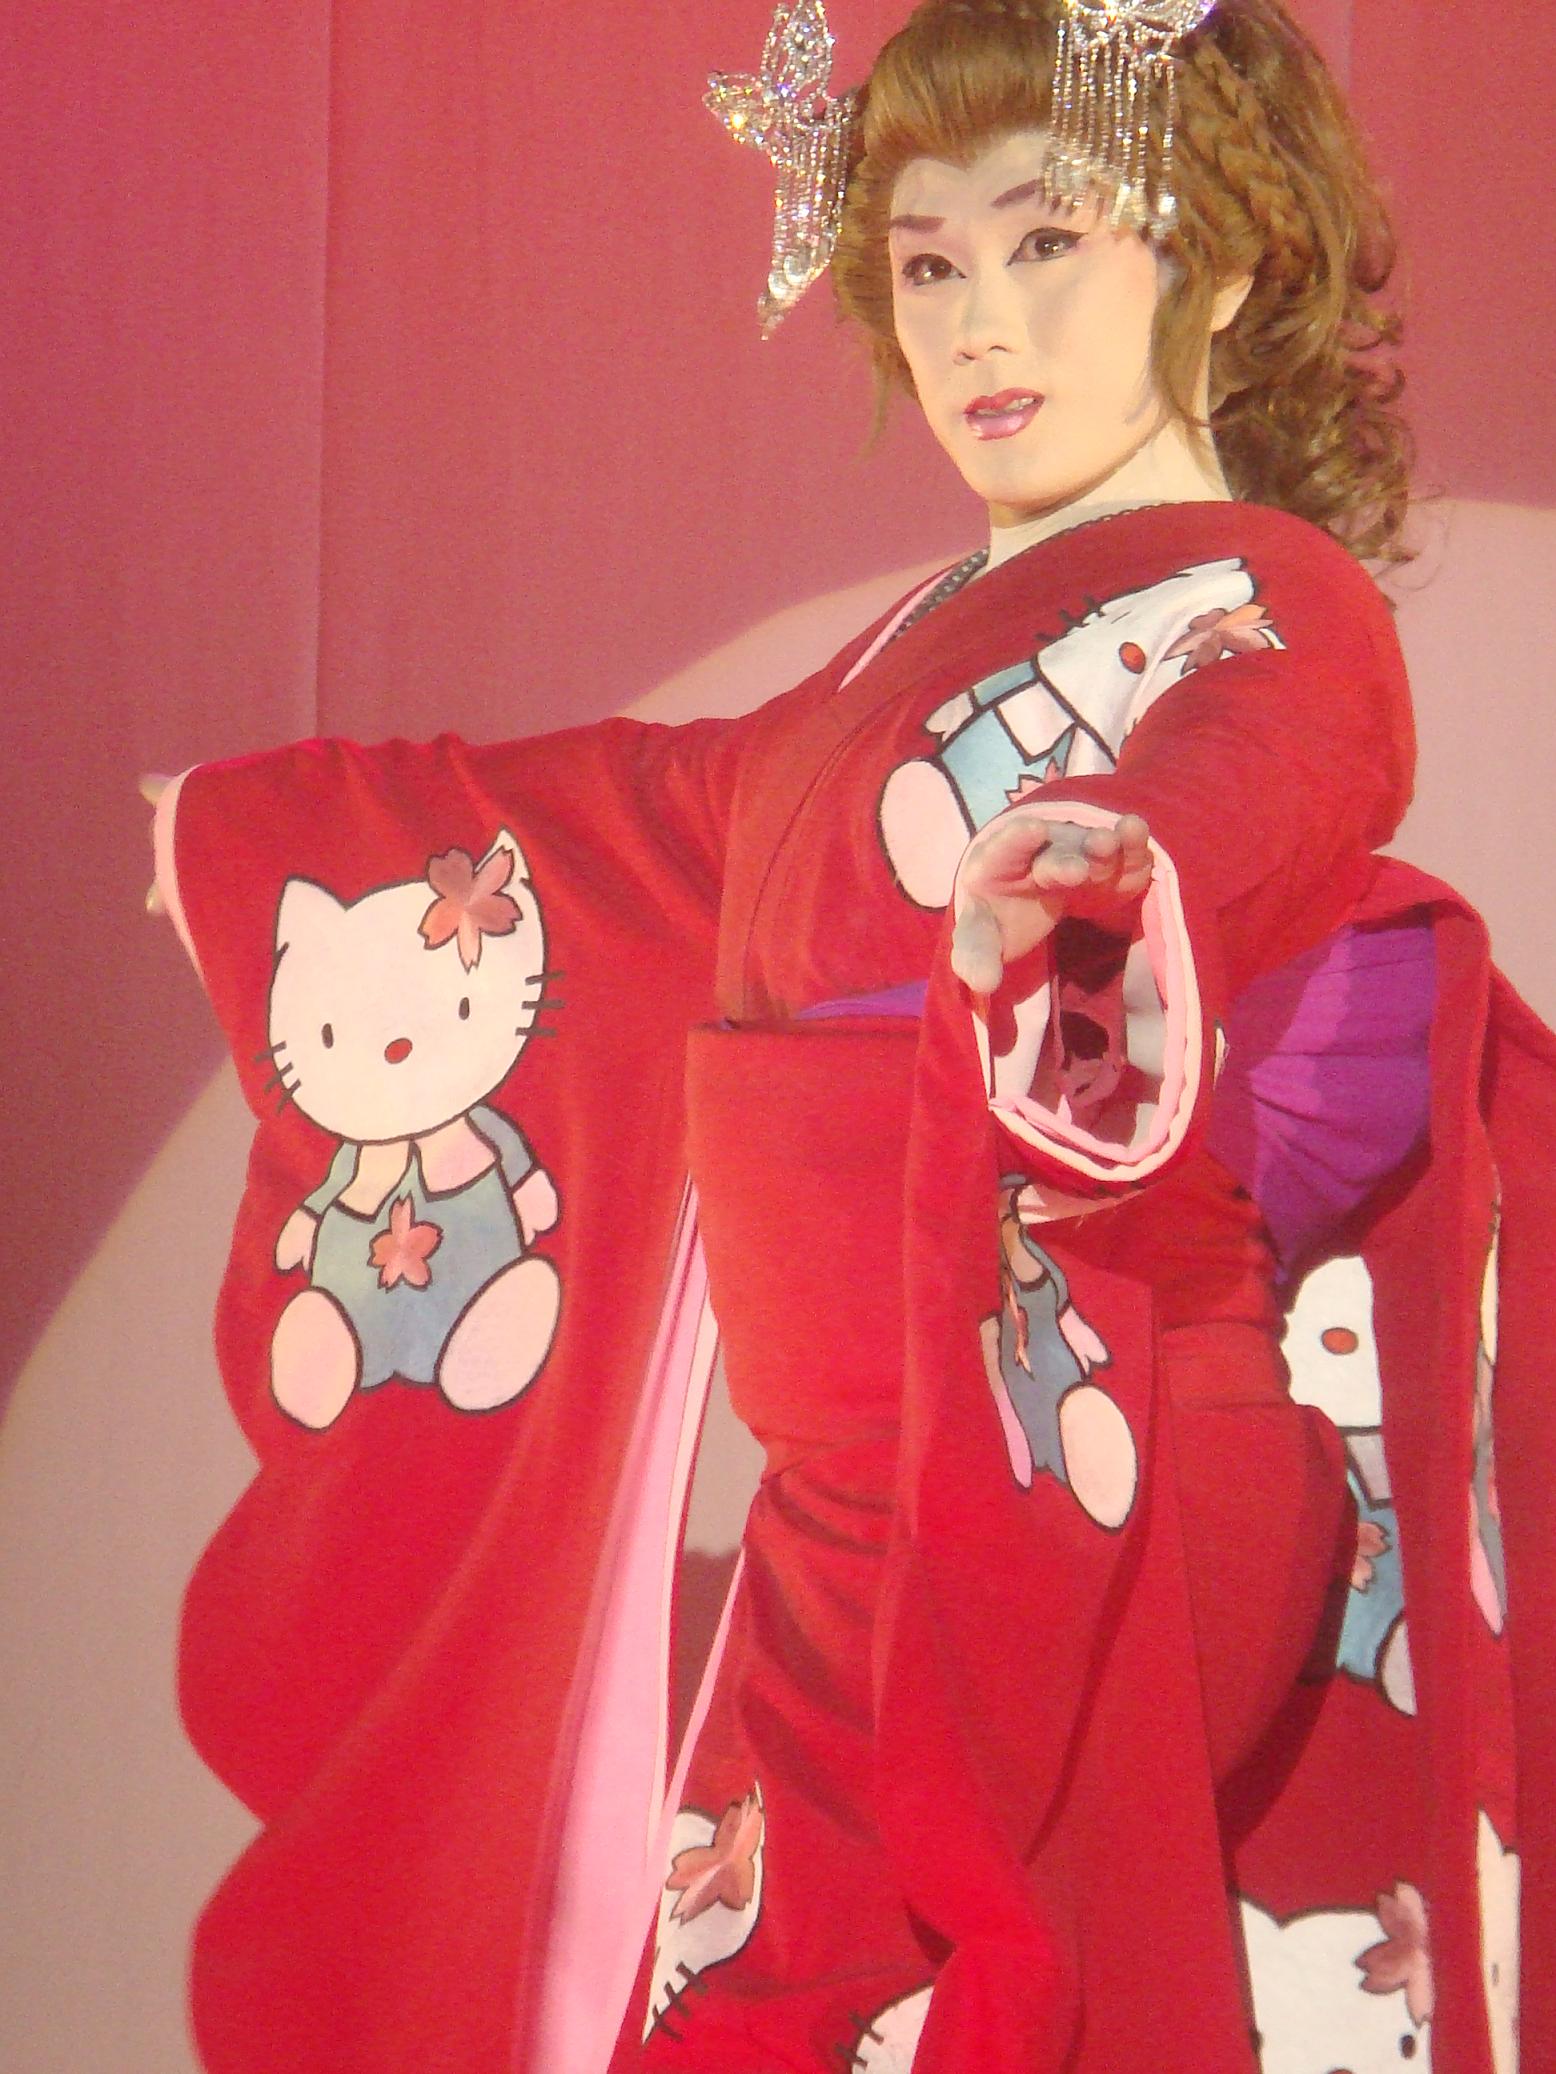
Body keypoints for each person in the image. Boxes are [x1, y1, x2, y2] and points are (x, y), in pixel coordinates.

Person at [147, 2, 1554, 2069]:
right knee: (815, 1997)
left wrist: (1107, 866)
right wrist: (248, 836)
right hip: (880, 1484)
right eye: (927, 261)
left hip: (1092, 1440)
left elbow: (1259, 762)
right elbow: (625, 818)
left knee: (879, 2004)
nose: (983, 321)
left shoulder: (1257, 605)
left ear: (1218, 259)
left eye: (1047, 238)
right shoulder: (884, 671)